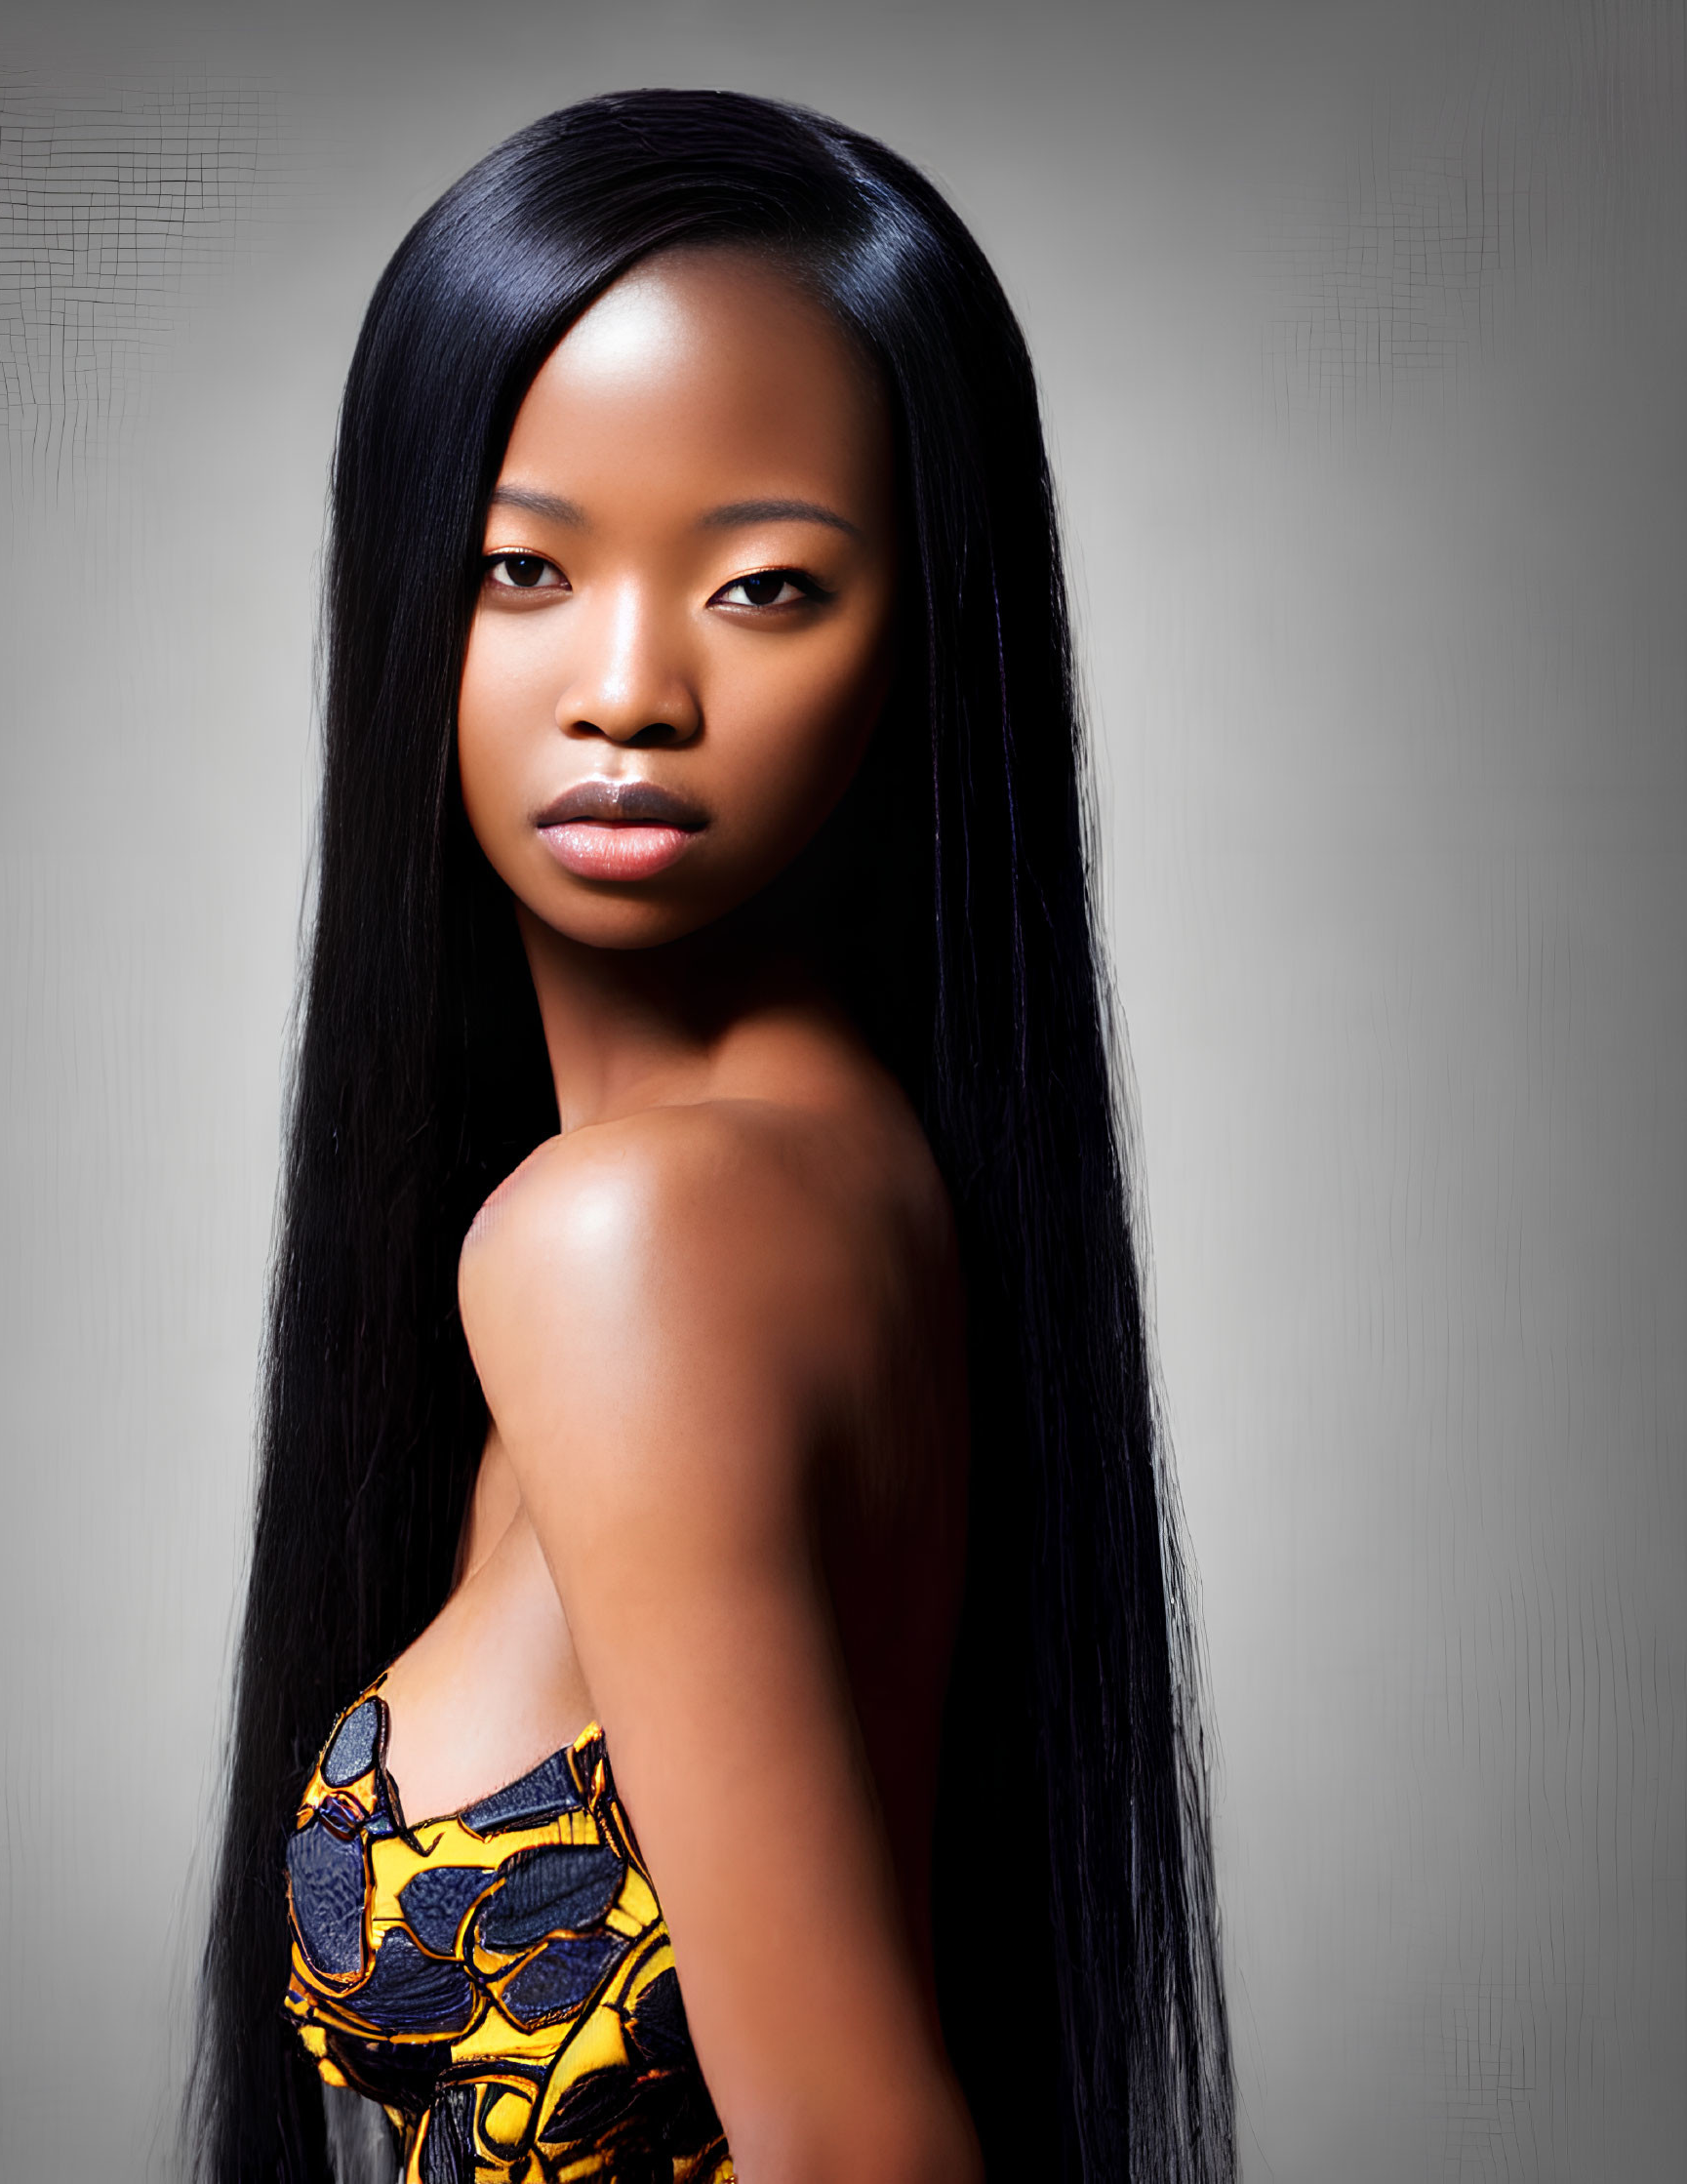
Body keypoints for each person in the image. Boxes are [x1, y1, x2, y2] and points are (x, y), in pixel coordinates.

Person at [194, 89, 1234, 2184]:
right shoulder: (834, 1173)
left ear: (926, 638)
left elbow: (860, 2149)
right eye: (518, 569)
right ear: (403, 598)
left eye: (763, 589)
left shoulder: (636, 1240)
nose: (628, 690)